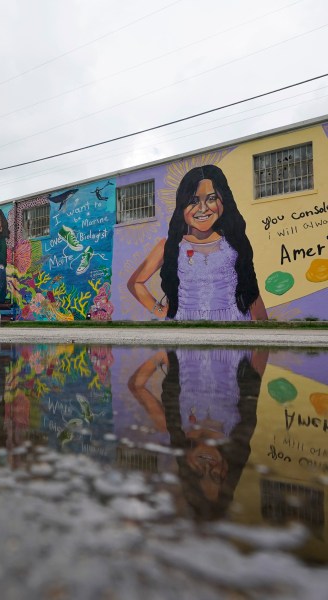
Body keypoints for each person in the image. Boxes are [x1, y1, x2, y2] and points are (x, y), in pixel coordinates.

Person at [128, 347, 267, 520]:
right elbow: (259, 357)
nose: (207, 467)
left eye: (198, 473)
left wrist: (165, 356)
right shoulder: (240, 425)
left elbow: (136, 386)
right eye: (215, 476)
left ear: (187, 465)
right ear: (225, 470)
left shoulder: (170, 425)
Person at [128, 165, 267, 321]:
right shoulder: (172, 246)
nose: (202, 208)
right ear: (182, 206)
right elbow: (135, 283)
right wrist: (160, 311)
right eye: (193, 201)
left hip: (233, 329)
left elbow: (250, 289)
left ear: (223, 200)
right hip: (185, 333)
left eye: (212, 198)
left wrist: (263, 335)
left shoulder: (234, 242)